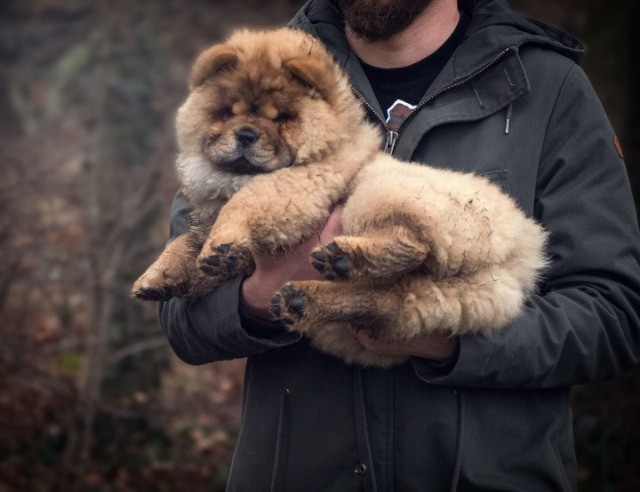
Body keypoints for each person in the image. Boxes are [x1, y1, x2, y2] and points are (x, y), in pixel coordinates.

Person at [159, 0, 640, 490]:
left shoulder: (547, 87)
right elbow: (180, 318)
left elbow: (612, 314)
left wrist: (436, 334)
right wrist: (262, 295)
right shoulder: (262, 73)